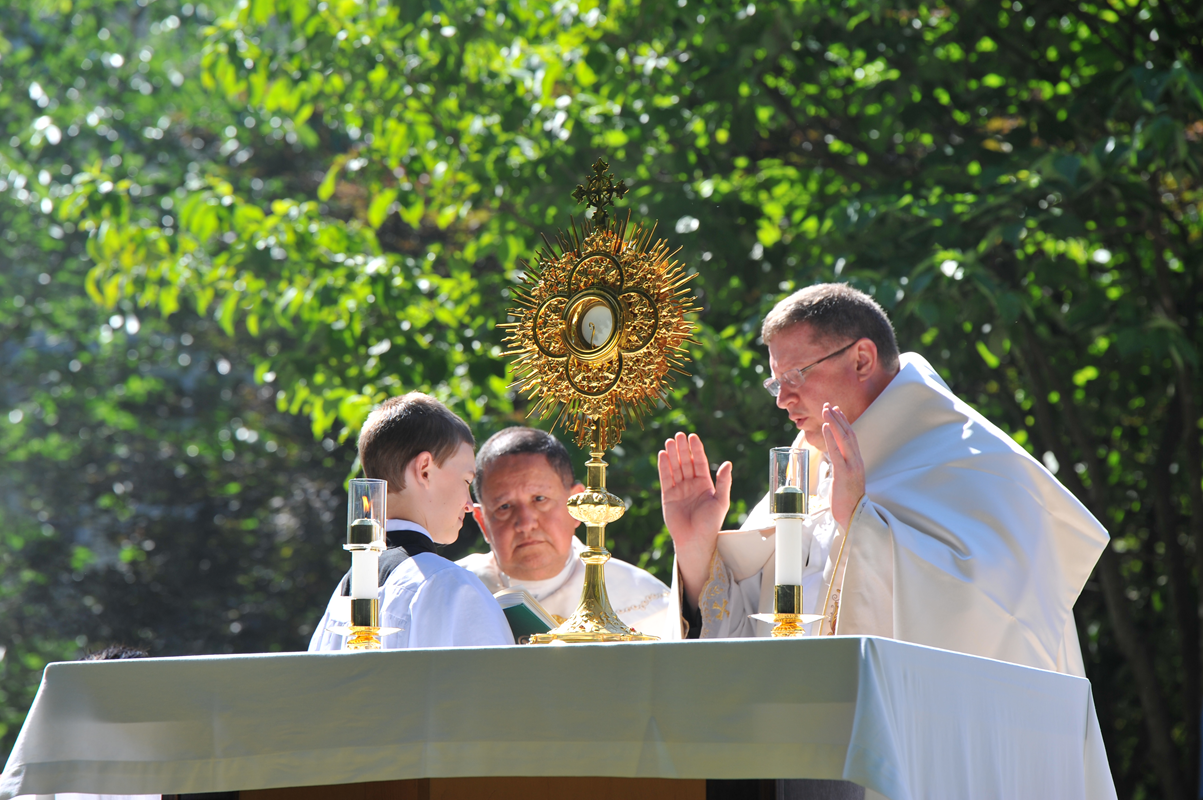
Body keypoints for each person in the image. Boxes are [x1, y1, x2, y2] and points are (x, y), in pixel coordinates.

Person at [659, 283, 1109, 675]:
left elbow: (996, 618)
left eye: (796, 376)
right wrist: (697, 551)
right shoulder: (806, 461)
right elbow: (757, 630)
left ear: (861, 359)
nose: (783, 401)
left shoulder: (967, 455)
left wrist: (861, 524)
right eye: (777, 384)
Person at [308, 393, 513, 650]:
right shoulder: (449, 584)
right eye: (466, 481)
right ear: (424, 469)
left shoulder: (341, 595)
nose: (469, 504)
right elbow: (496, 687)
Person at [459, 427, 671, 637]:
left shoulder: (643, 600)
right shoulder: (452, 592)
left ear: (577, 504)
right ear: (482, 522)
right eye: (504, 506)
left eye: (540, 499)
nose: (525, 523)